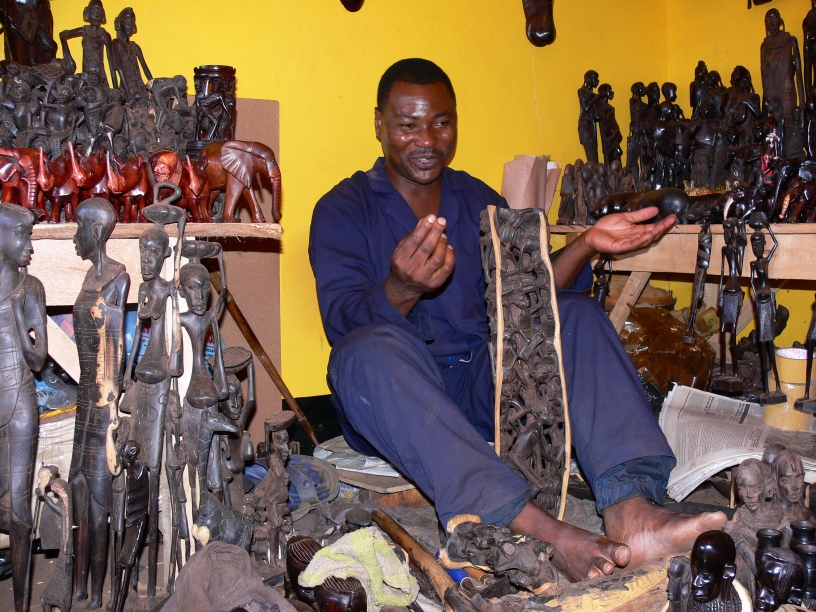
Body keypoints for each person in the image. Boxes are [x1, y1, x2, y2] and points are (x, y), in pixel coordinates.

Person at [309, 58, 726, 582]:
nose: (427, 139)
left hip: (487, 383)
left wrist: (588, 244)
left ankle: (633, 512)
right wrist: (402, 288)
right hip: (403, 395)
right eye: (408, 124)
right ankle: (545, 533)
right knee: (362, 351)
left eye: (441, 122)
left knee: (575, 315)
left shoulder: (479, 199)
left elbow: (531, 291)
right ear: (379, 123)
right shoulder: (343, 208)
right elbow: (342, 321)